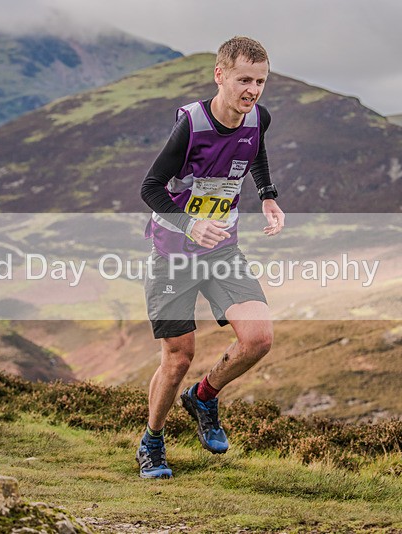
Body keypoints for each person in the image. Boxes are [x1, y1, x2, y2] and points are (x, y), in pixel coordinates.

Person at [138, 36, 284, 478]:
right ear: (220, 75)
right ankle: (152, 441)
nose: (252, 90)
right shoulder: (192, 125)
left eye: (260, 81)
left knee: (258, 338)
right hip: (173, 254)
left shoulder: (258, 117)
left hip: (222, 250)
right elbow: (150, 188)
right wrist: (190, 224)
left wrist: (268, 195)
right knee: (177, 358)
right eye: (244, 80)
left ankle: (203, 396)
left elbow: (255, 150)